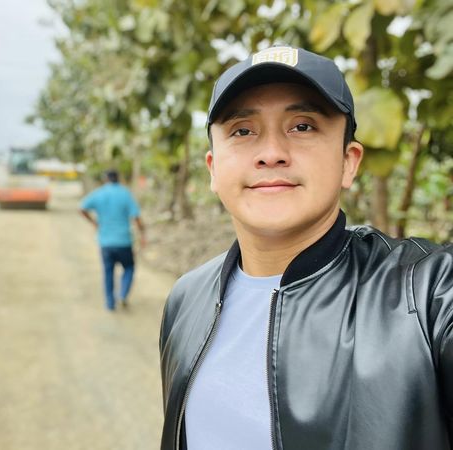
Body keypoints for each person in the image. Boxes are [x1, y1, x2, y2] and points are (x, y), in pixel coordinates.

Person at [159, 45, 453, 450]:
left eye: (302, 126)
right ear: (213, 168)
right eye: (242, 131)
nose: (271, 154)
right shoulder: (186, 300)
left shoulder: (427, 295)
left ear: (349, 161)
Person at [80, 169, 146, 311]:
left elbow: (82, 208)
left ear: (106, 179)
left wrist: (94, 222)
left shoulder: (99, 193)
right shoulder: (125, 193)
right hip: (124, 241)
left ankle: (110, 303)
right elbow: (136, 217)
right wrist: (142, 235)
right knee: (129, 267)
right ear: (118, 178)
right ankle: (122, 294)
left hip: (105, 242)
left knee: (108, 272)